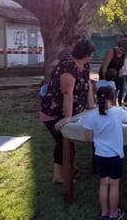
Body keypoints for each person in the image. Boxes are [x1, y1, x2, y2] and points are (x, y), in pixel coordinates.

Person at [40, 39, 96, 183]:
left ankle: (71, 169)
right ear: (86, 55)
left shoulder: (84, 64)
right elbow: (67, 93)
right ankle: (58, 176)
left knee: (67, 143)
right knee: (64, 144)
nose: (92, 57)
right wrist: (68, 117)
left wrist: (91, 104)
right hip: (53, 114)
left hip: (69, 112)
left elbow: (88, 84)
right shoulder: (67, 67)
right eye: (91, 54)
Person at [83, 86, 127, 220]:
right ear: (113, 98)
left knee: (103, 183)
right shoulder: (118, 112)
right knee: (114, 185)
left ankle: (104, 213)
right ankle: (114, 213)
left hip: (100, 154)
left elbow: (89, 138)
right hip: (115, 155)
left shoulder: (91, 115)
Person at [100, 38, 127, 105]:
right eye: (120, 49)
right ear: (118, 46)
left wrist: (122, 70)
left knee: (118, 91)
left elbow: (122, 65)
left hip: (116, 75)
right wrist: (106, 80)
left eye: (123, 51)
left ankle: (118, 104)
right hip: (107, 75)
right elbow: (104, 67)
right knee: (108, 93)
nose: (121, 52)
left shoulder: (124, 54)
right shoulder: (111, 52)